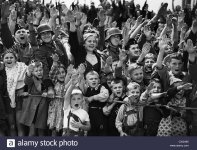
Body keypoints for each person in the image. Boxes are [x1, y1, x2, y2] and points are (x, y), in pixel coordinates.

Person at [19, 61, 54, 136]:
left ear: (43, 70)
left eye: (40, 70)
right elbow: (27, 81)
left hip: (42, 109)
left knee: (41, 132)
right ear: (33, 72)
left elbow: (51, 92)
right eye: (36, 71)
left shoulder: (47, 80)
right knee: (32, 132)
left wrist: (48, 94)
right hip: (32, 109)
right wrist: (29, 72)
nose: (39, 72)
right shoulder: (32, 79)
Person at [1, 49, 27, 136]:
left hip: (20, 99)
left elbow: (29, 80)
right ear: (3, 60)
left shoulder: (22, 67)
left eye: (11, 57)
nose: (9, 59)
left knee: (20, 126)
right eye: (6, 58)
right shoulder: (2, 71)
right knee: (12, 126)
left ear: (16, 59)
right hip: (7, 100)